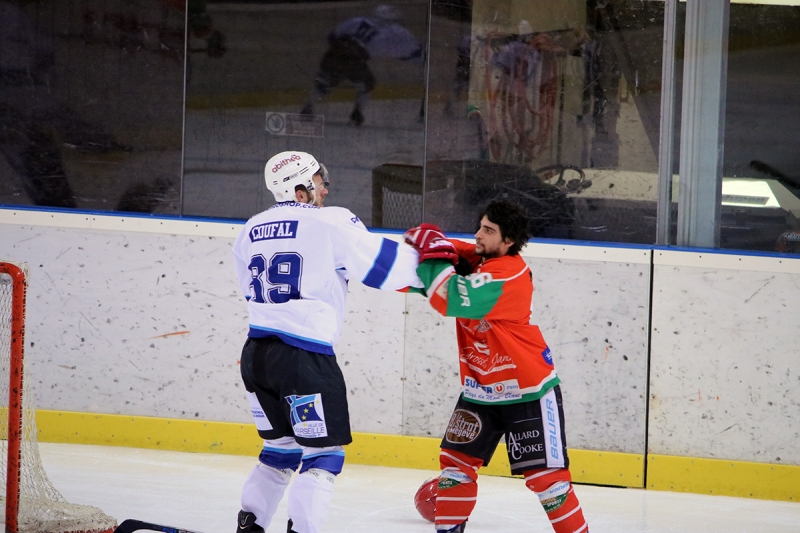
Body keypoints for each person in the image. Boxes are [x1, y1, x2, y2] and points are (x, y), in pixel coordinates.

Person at [232, 150, 422, 533]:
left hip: (256, 356)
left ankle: (249, 525)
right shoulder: (331, 221)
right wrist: (439, 261)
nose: (326, 188)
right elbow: (386, 269)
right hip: (305, 360)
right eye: (319, 181)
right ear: (300, 190)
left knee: (279, 452)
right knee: (323, 457)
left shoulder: (250, 228)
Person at [403, 199, 589, 533]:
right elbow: (433, 258)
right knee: (455, 468)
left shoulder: (509, 273)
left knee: (549, 482)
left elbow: (449, 298)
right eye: (480, 226)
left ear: (508, 242)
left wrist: (433, 257)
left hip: (528, 391)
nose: (478, 235)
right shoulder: (480, 256)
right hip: (478, 391)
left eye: (488, 231)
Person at [300, 4, 424, 126]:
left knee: (324, 83)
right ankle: (357, 113)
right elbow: (408, 53)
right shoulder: (394, 31)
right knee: (367, 85)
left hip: (334, 53)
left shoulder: (358, 20)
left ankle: (307, 107)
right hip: (355, 59)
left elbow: (333, 36)